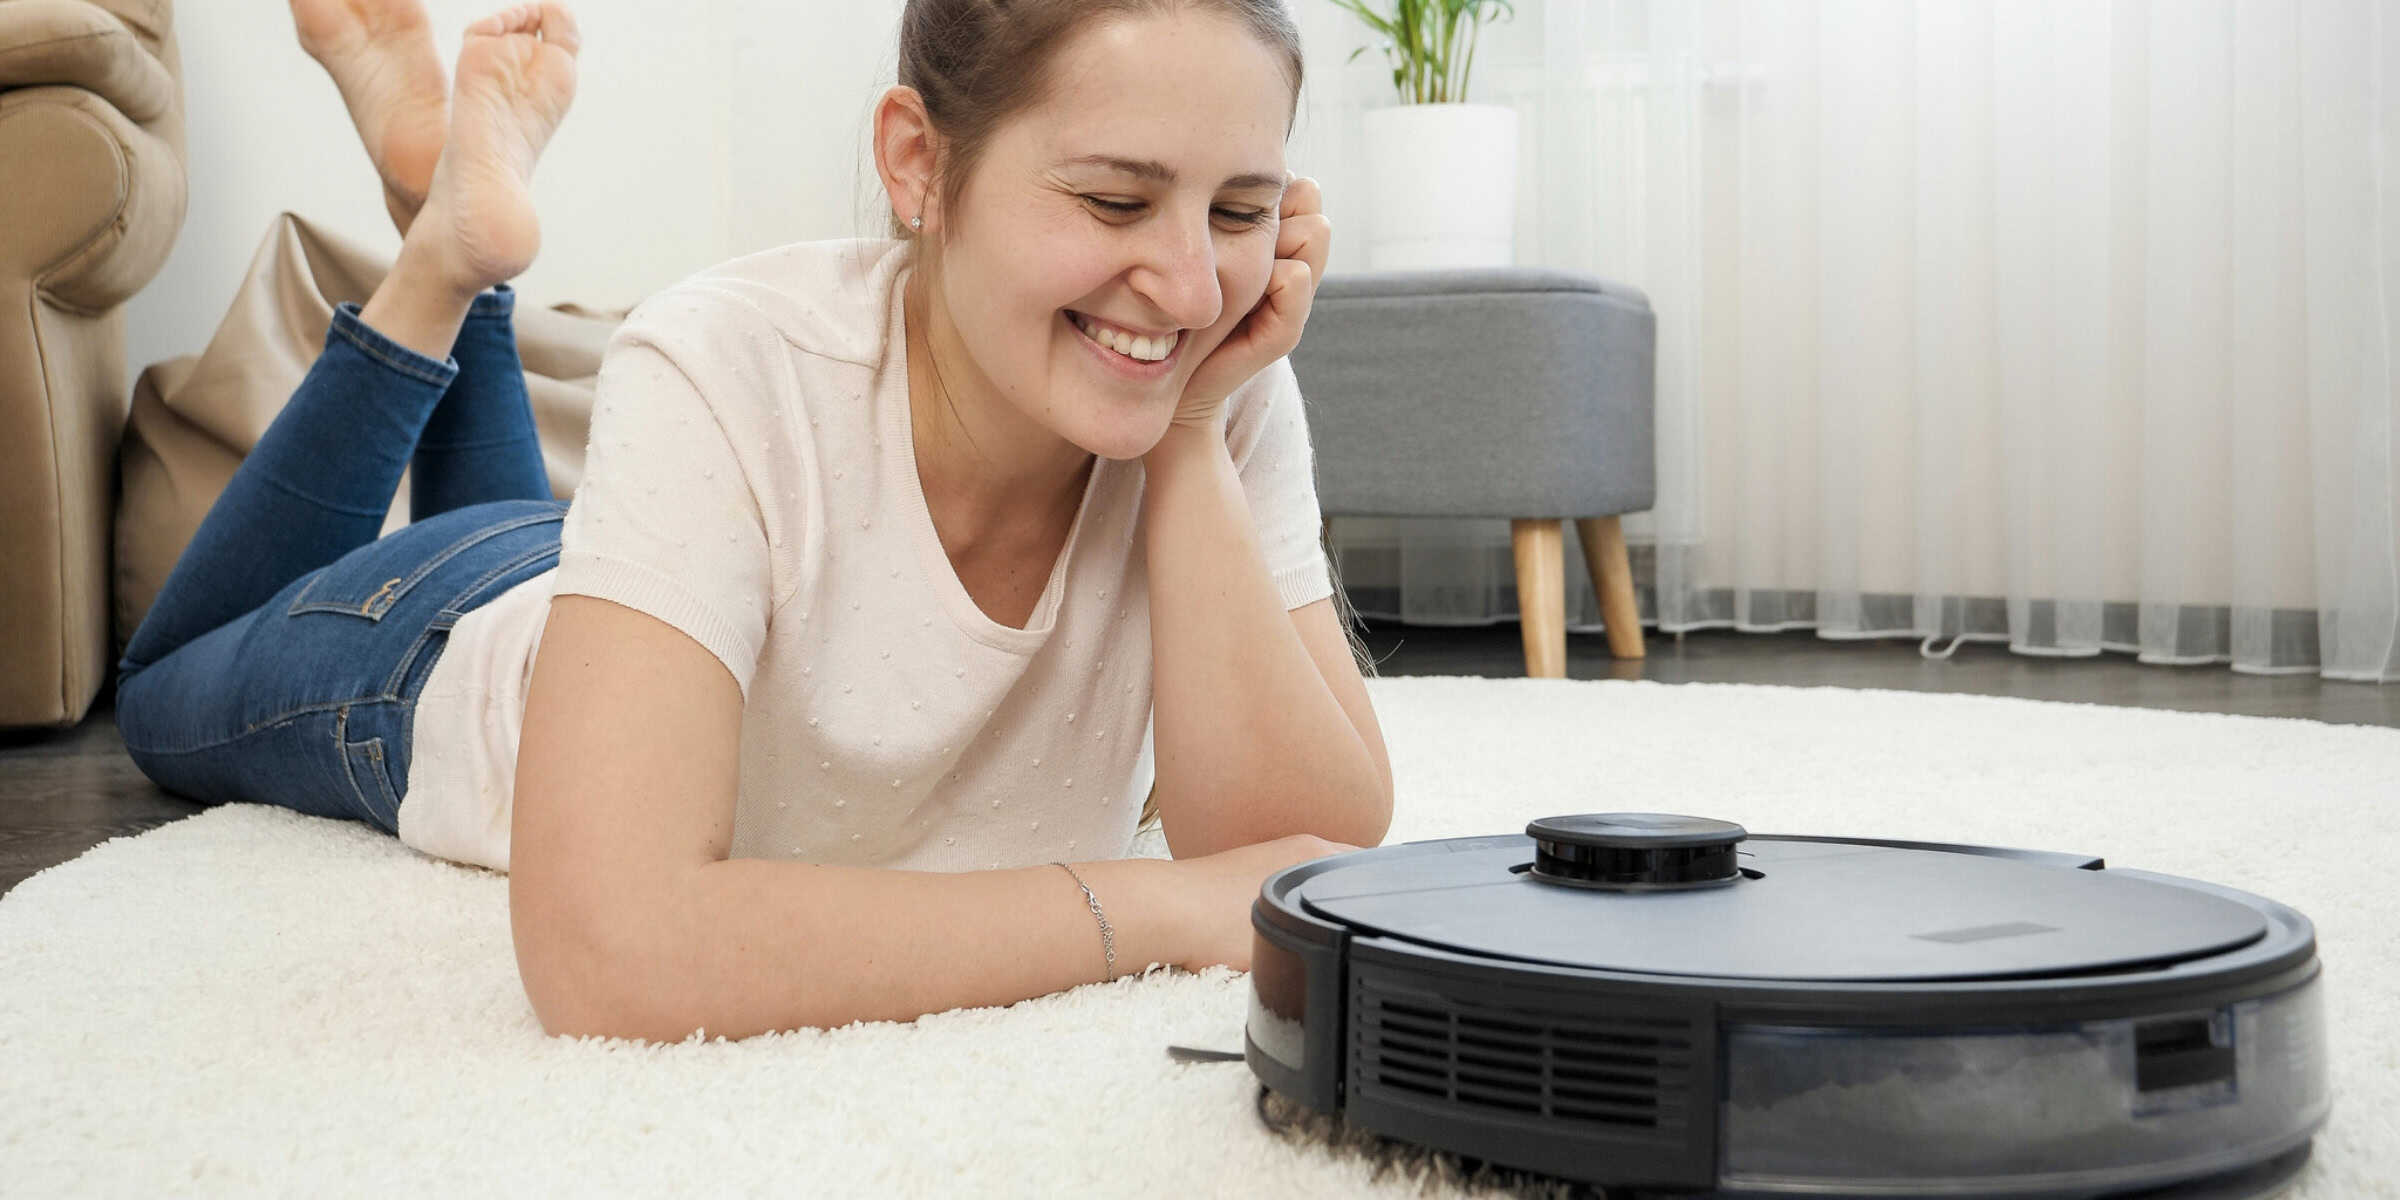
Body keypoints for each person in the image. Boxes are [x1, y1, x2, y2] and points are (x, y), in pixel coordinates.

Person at [114, 0, 1393, 1043]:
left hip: (667, 593)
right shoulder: (728, 354)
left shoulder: (1216, 392)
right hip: (440, 643)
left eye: (1239, 213)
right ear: (918, 165)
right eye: (1116, 202)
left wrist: (1183, 439)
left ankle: (456, 216)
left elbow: (1299, 845)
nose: (1187, 285)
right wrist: (1155, 910)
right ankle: (448, 256)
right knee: (163, 691)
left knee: (526, 513)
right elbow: (610, 951)